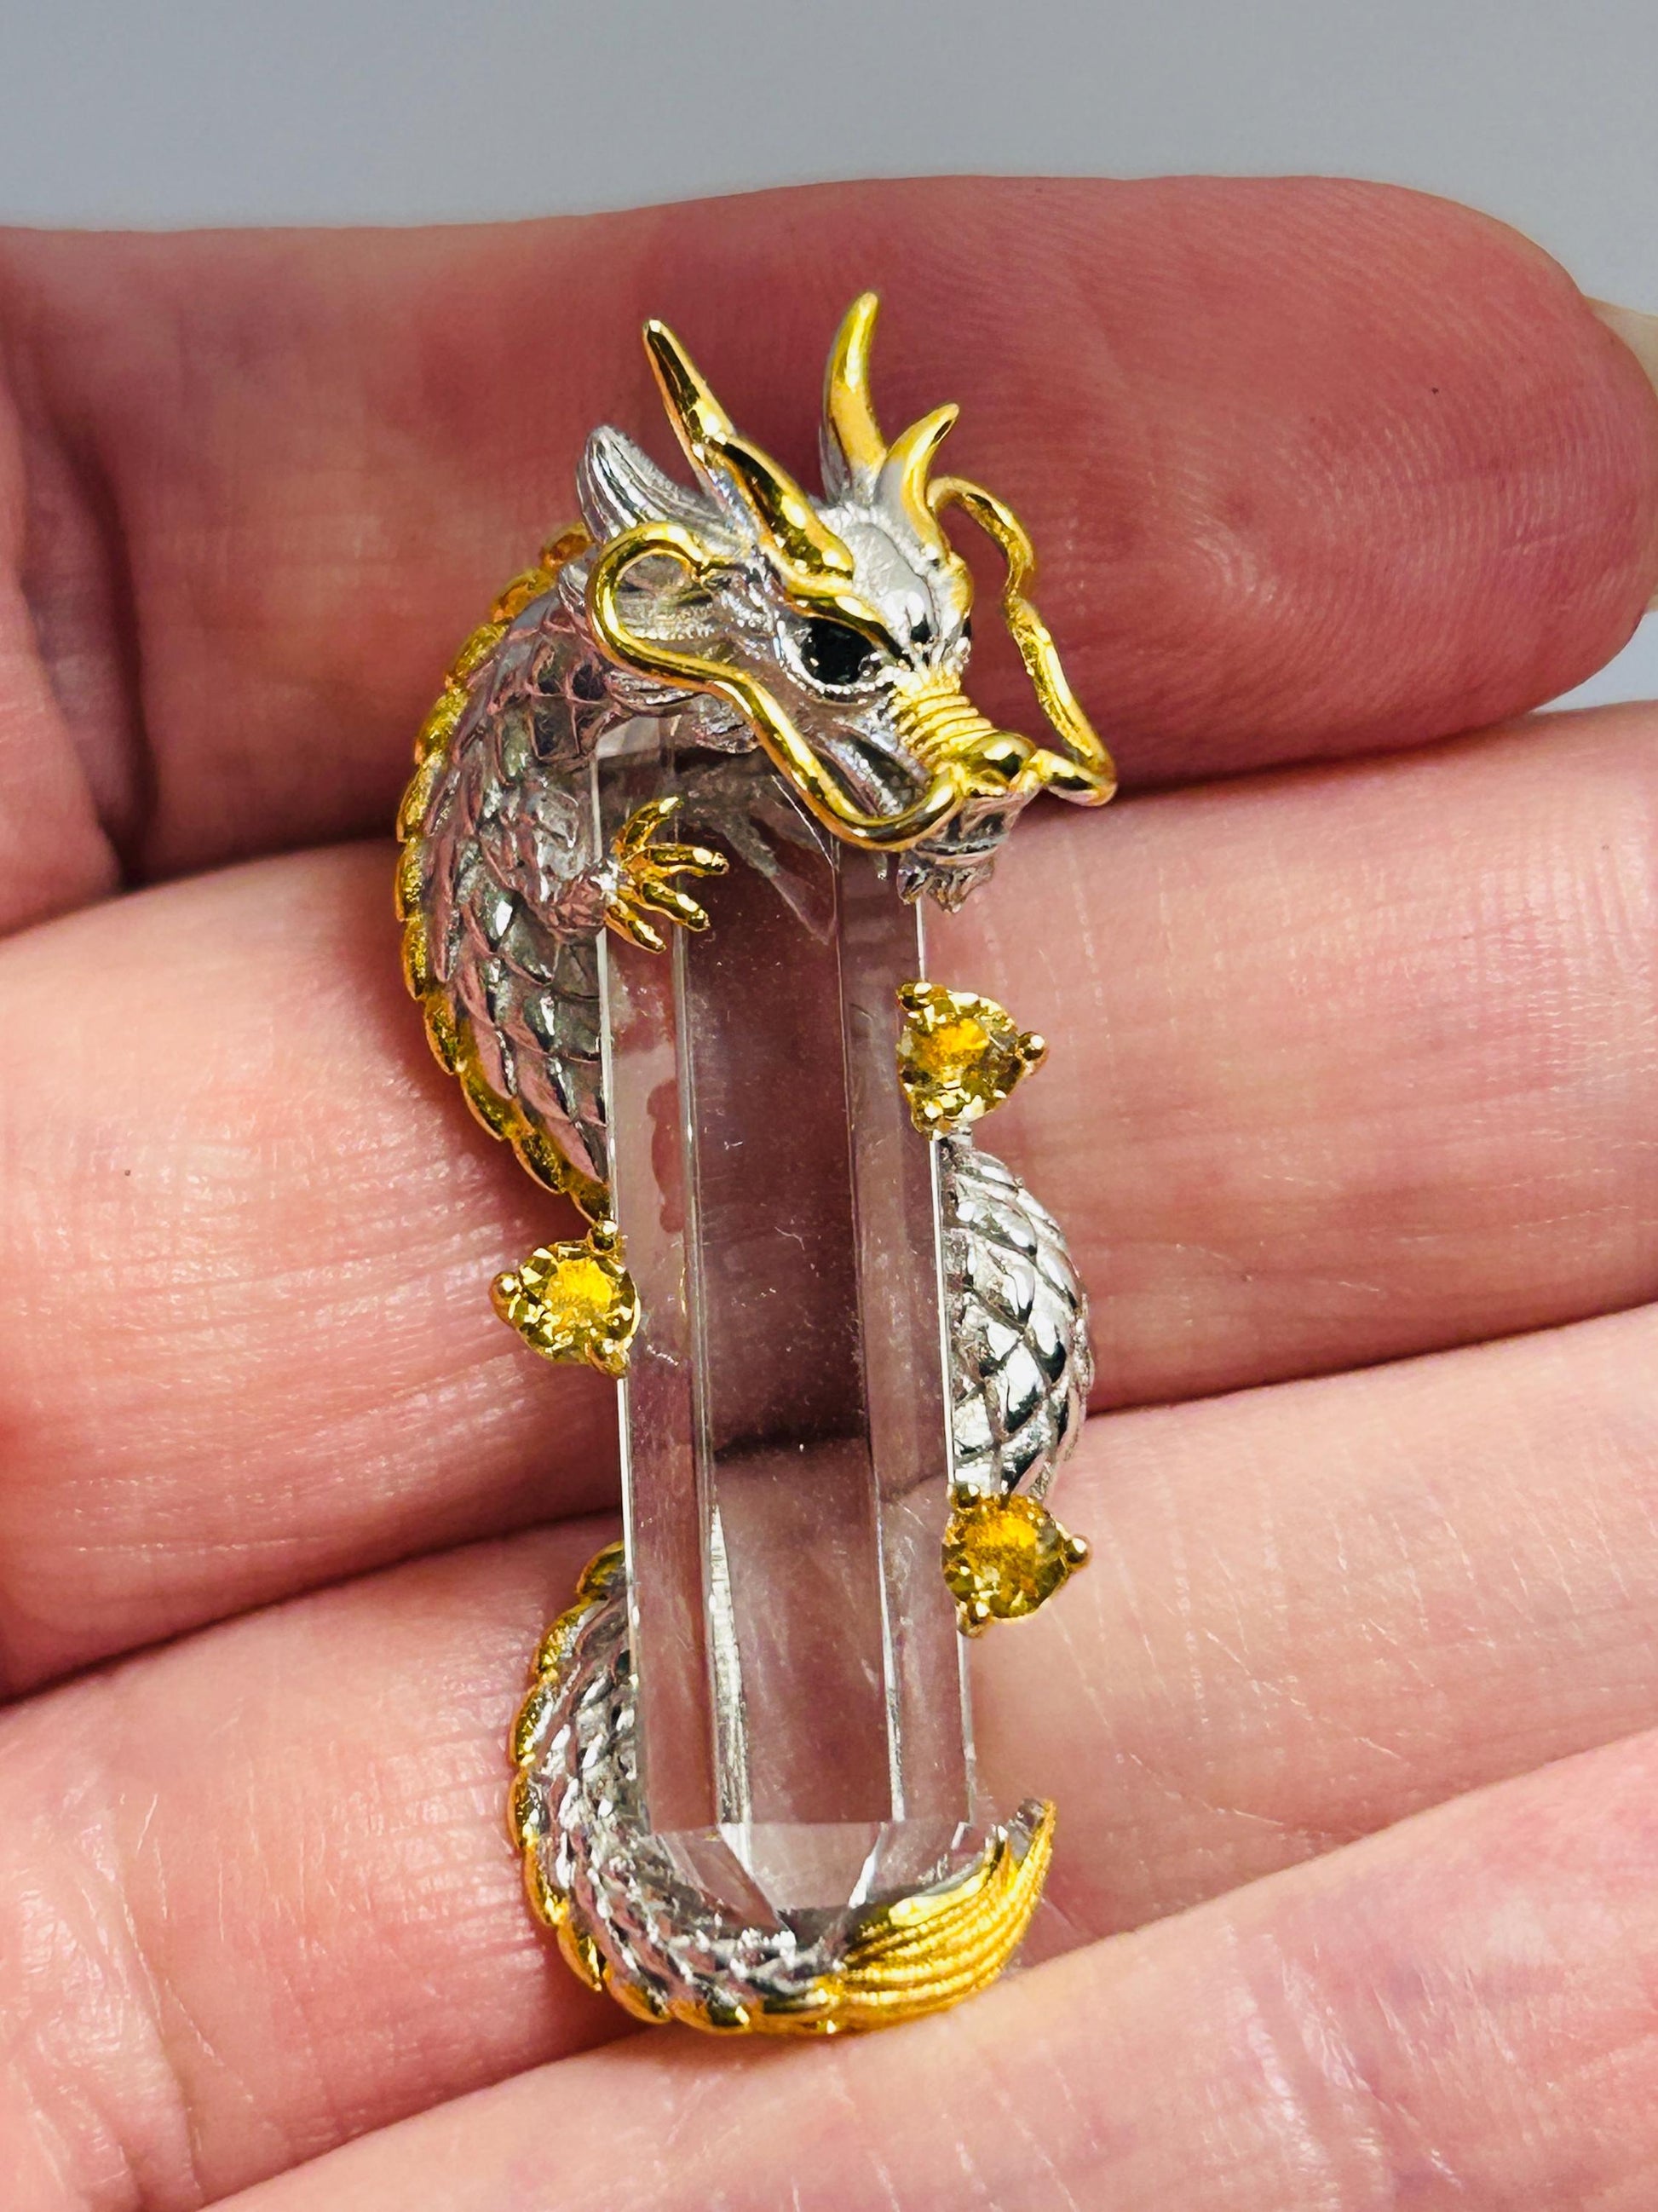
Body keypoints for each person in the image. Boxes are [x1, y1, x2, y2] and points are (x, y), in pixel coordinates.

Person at [3, 175, 1658, 2209]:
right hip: (661, 1139)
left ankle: (834, 1859)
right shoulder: (612, 768)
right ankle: (766, 1889)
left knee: (961, 1343)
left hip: (832, 1231)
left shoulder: (818, 831)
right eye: (860, 664)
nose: (922, 720)